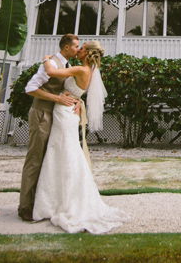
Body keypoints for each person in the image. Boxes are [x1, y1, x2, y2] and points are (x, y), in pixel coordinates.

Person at [32, 40, 130, 233]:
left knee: (63, 153)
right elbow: (79, 90)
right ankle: (57, 200)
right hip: (68, 110)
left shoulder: (81, 69)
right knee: (63, 153)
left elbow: (51, 73)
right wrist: (78, 100)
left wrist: (46, 59)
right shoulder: (87, 71)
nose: (78, 50)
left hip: (64, 113)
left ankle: (64, 202)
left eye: (82, 48)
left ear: (87, 53)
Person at [17, 33, 82, 222]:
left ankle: (40, 203)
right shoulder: (51, 63)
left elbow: (64, 88)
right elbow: (30, 88)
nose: (78, 49)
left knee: (48, 160)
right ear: (66, 47)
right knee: (35, 159)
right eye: (76, 46)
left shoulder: (67, 65)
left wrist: (76, 100)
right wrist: (57, 99)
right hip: (41, 115)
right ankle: (25, 207)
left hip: (55, 116)